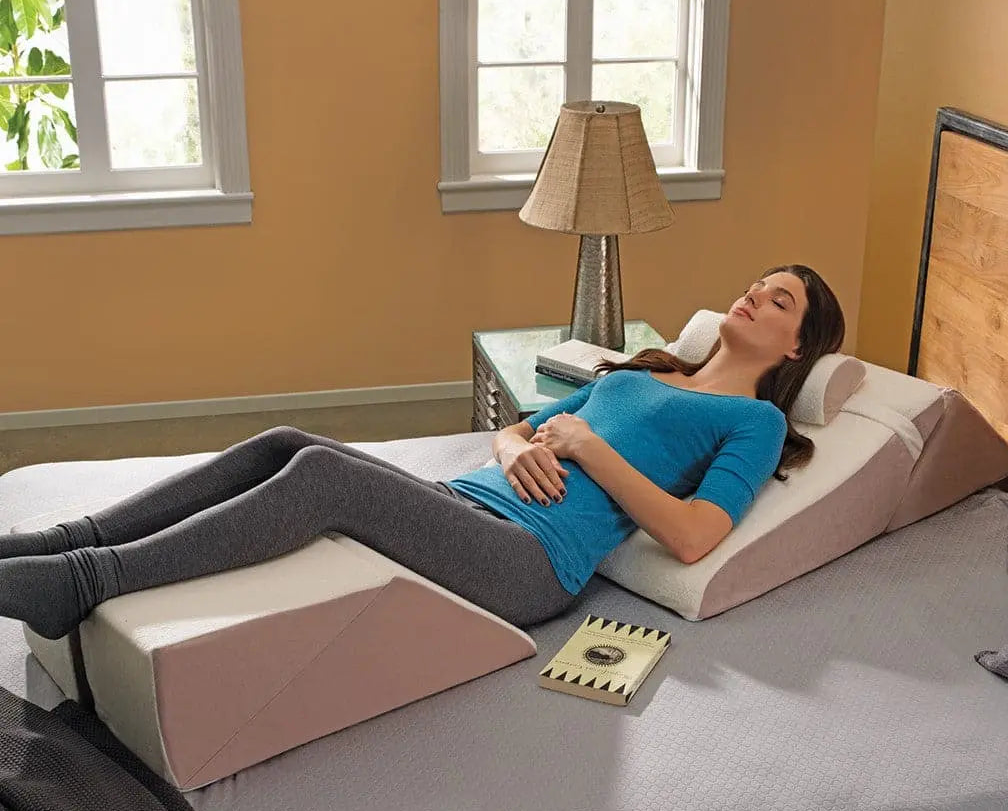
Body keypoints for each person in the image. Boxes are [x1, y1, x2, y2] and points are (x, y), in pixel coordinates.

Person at [0, 264, 844, 640]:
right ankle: (66, 543)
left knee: (323, 477)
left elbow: (695, 535)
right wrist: (515, 445)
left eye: (777, 301)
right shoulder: (657, 365)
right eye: (756, 284)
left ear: (796, 348)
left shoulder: (756, 423)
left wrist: (587, 445)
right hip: (476, 501)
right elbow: (525, 426)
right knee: (292, 441)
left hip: (532, 563)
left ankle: (82, 585)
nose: (752, 296)